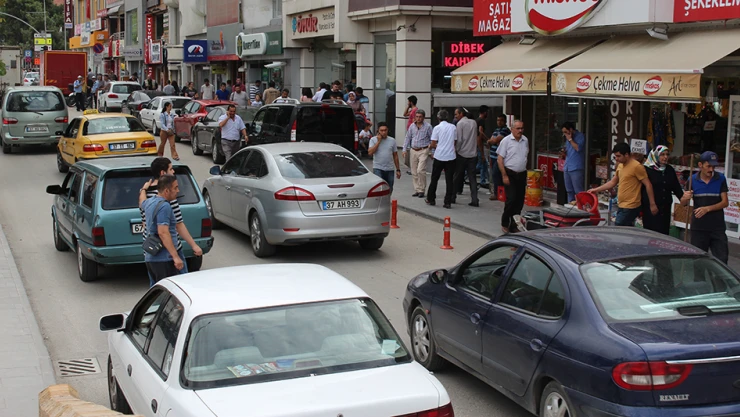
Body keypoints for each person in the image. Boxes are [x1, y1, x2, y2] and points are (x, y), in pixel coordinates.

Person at [139, 158, 203, 286]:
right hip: (167, 253)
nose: (173, 171)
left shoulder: (149, 197)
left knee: (157, 288)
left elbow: (142, 205)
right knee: (178, 287)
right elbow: (174, 226)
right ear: (163, 173)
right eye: (171, 169)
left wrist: (143, 190)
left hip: (150, 251)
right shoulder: (167, 200)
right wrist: (192, 246)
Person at [587, 142, 658, 226]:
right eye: (615, 156)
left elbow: (648, 184)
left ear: (627, 155)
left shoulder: (637, 166)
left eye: (618, 156)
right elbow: (613, 182)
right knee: (626, 228)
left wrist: (652, 204)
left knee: (619, 225)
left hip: (631, 205)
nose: (616, 159)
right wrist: (596, 190)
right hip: (621, 204)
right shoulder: (620, 165)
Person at [680, 151, 729, 263]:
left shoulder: (720, 178)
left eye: (714, 167)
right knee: (698, 261)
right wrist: (685, 197)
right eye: (708, 166)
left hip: (717, 227)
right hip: (699, 227)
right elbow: (683, 203)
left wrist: (707, 209)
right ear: (700, 165)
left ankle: (716, 276)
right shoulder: (692, 180)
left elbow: (725, 202)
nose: (711, 169)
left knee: (722, 259)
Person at [140, 175, 185, 283]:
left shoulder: (150, 201)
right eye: (175, 188)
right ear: (166, 191)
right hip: (164, 259)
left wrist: (144, 189)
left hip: (151, 258)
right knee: (170, 290)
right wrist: (175, 257)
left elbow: (141, 202)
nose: (178, 191)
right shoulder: (165, 207)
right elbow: (163, 232)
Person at [641, 145, 684, 235]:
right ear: (655, 155)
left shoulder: (669, 170)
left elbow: (676, 187)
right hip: (651, 209)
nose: (665, 157)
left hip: (665, 209)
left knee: (663, 236)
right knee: (651, 235)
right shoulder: (646, 170)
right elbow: (642, 189)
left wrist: (683, 198)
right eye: (662, 154)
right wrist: (652, 204)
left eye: (667, 154)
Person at [498, 120, 529, 233]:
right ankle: (505, 222)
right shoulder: (506, 141)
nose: (520, 131)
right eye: (518, 128)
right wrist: (504, 175)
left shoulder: (525, 140)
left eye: (522, 128)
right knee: (511, 199)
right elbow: (500, 159)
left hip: (521, 173)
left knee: (519, 201)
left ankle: (514, 224)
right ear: (512, 129)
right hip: (510, 173)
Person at [426, 110, 457, 208]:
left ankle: (431, 198)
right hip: (451, 156)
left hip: (439, 156)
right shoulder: (453, 127)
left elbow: (433, 143)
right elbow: (454, 142)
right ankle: (448, 201)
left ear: (438, 118)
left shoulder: (437, 128)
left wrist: (432, 148)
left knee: (434, 178)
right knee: (449, 180)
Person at [402, 109, 433, 198]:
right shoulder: (412, 126)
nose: (418, 118)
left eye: (420, 117)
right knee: (414, 171)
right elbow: (408, 137)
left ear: (423, 117)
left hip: (423, 150)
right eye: (417, 117)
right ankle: (417, 189)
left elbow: (432, 139)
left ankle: (422, 190)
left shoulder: (428, 127)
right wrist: (404, 149)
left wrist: (432, 151)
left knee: (420, 170)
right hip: (413, 150)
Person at [453, 107, 480, 207]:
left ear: (461, 114)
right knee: (472, 178)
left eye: (456, 114)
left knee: (457, 176)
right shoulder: (474, 122)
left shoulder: (460, 124)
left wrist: (457, 149)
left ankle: (452, 196)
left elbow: (459, 140)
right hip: (472, 153)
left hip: (462, 154)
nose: (455, 116)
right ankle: (475, 199)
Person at [368, 122, 401, 193]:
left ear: (387, 130)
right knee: (379, 188)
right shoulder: (373, 140)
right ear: (378, 131)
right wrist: (378, 142)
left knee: (390, 187)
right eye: (381, 130)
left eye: (385, 130)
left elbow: (395, 155)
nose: (383, 132)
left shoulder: (392, 140)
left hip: (389, 168)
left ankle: (387, 199)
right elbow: (370, 152)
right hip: (378, 168)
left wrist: (398, 169)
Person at [561, 121, 586, 203]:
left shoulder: (580, 136)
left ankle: (580, 206)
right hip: (567, 166)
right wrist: (563, 153)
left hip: (576, 167)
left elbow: (578, 148)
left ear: (571, 130)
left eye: (566, 132)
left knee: (578, 190)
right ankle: (570, 204)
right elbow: (568, 150)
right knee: (569, 190)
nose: (565, 134)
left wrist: (570, 139)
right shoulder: (567, 139)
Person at [488, 114, 510, 200]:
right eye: (498, 120)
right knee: (495, 175)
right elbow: (491, 141)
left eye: (501, 120)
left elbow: (495, 140)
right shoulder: (496, 130)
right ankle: (499, 193)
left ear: (505, 121)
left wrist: (492, 141)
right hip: (493, 155)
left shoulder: (505, 130)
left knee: (496, 174)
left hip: (500, 157)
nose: (499, 122)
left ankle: (498, 193)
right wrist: (492, 141)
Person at [476, 105, 490, 189]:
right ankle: (483, 181)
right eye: (487, 112)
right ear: (485, 112)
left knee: (482, 164)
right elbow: (480, 133)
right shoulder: (481, 121)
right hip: (479, 144)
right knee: (482, 163)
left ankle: (483, 180)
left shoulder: (477, 120)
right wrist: (488, 140)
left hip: (477, 144)